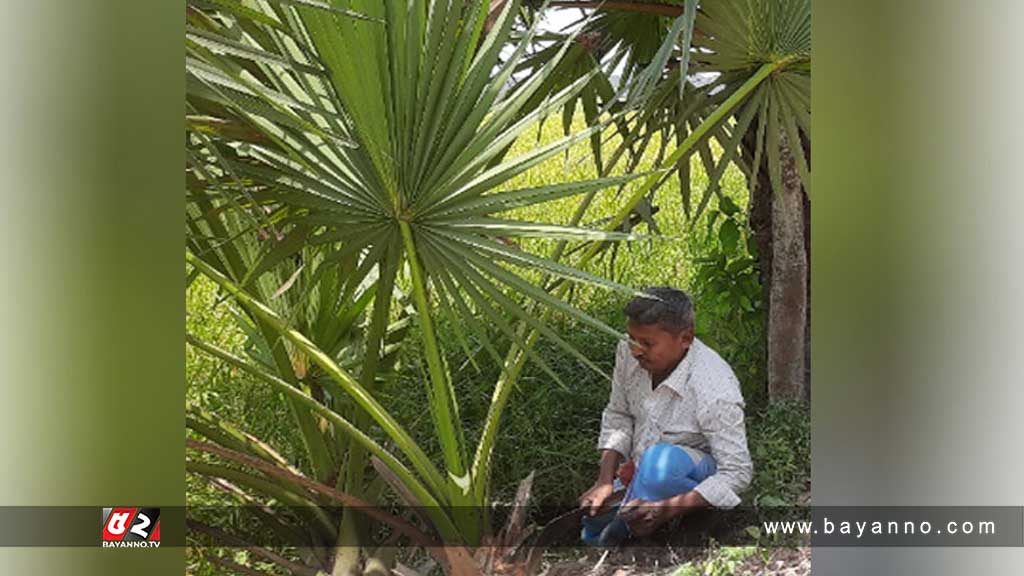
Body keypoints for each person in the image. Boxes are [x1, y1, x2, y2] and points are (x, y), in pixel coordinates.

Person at [577, 287, 753, 544]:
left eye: (647, 344)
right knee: (591, 531)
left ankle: (692, 518)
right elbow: (619, 413)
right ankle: (635, 514)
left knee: (659, 465)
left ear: (685, 338)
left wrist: (668, 508)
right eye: (632, 339)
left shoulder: (715, 388)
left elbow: (737, 473)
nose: (635, 350)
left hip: (687, 476)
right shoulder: (629, 350)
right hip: (641, 472)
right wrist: (604, 480)